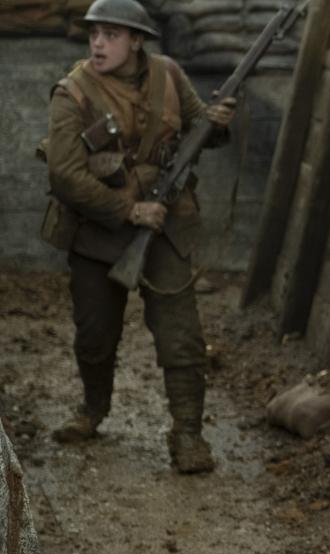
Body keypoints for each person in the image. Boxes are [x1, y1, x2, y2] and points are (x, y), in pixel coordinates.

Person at [42, 0, 234, 473]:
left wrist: (215, 124)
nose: (98, 44)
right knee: (95, 334)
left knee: (182, 335)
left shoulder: (168, 74)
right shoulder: (73, 93)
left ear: (136, 41)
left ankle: (188, 434)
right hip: (99, 231)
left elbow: (197, 128)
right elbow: (65, 176)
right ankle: (93, 410)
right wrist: (129, 209)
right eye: (94, 35)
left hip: (165, 223)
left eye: (111, 35)